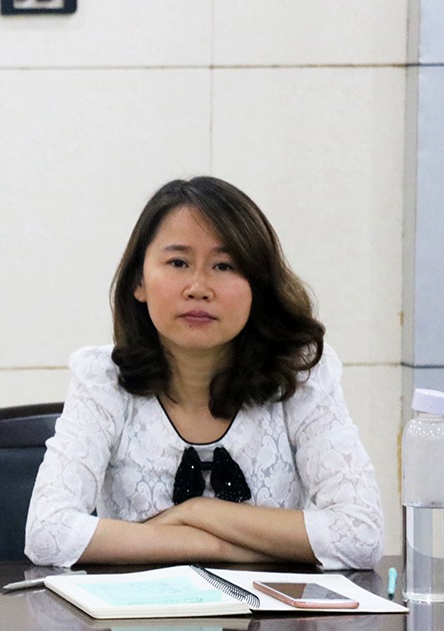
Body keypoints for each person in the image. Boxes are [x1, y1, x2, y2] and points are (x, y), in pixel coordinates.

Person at [24, 176, 383, 569]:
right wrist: (224, 547)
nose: (198, 287)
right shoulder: (103, 379)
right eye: (178, 263)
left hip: (269, 609)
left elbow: (360, 535)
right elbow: (47, 534)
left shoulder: (299, 375)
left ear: (258, 285)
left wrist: (196, 512)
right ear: (139, 281)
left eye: (224, 265)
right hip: (139, 609)